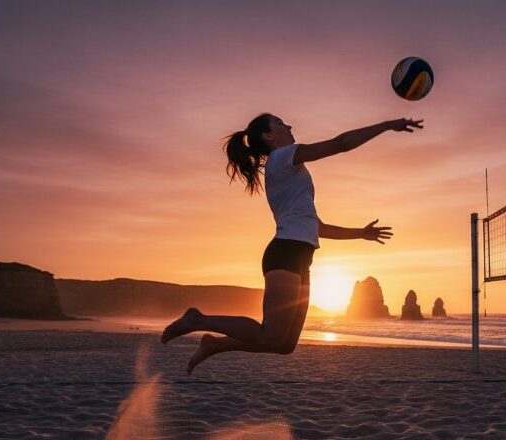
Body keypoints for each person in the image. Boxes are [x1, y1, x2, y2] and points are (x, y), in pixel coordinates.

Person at [162, 113, 423, 373]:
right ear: (268, 136)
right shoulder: (282, 157)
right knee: (269, 333)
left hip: (300, 257)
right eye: (279, 123)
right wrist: (387, 125)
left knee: (284, 344)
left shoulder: (288, 167)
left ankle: (214, 345)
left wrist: (360, 233)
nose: (288, 125)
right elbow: (340, 144)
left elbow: (317, 227)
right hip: (285, 253)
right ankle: (198, 320)